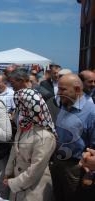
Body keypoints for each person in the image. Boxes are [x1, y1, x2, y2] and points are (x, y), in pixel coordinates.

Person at [3, 88, 56, 201]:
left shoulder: (45, 136)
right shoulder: (24, 128)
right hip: (17, 184)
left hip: (34, 189)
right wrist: (8, 173)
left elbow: (36, 169)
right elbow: (14, 151)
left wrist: (14, 183)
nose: (19, 109)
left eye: (22, 105)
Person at [49, 73, 95, 201]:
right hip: (58, 163)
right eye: (58, 88)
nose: (58, 93)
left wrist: (90, 175)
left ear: (77, 89)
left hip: (76, 169)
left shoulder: (91, 112)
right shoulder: (64, 105)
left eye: (62, 89)